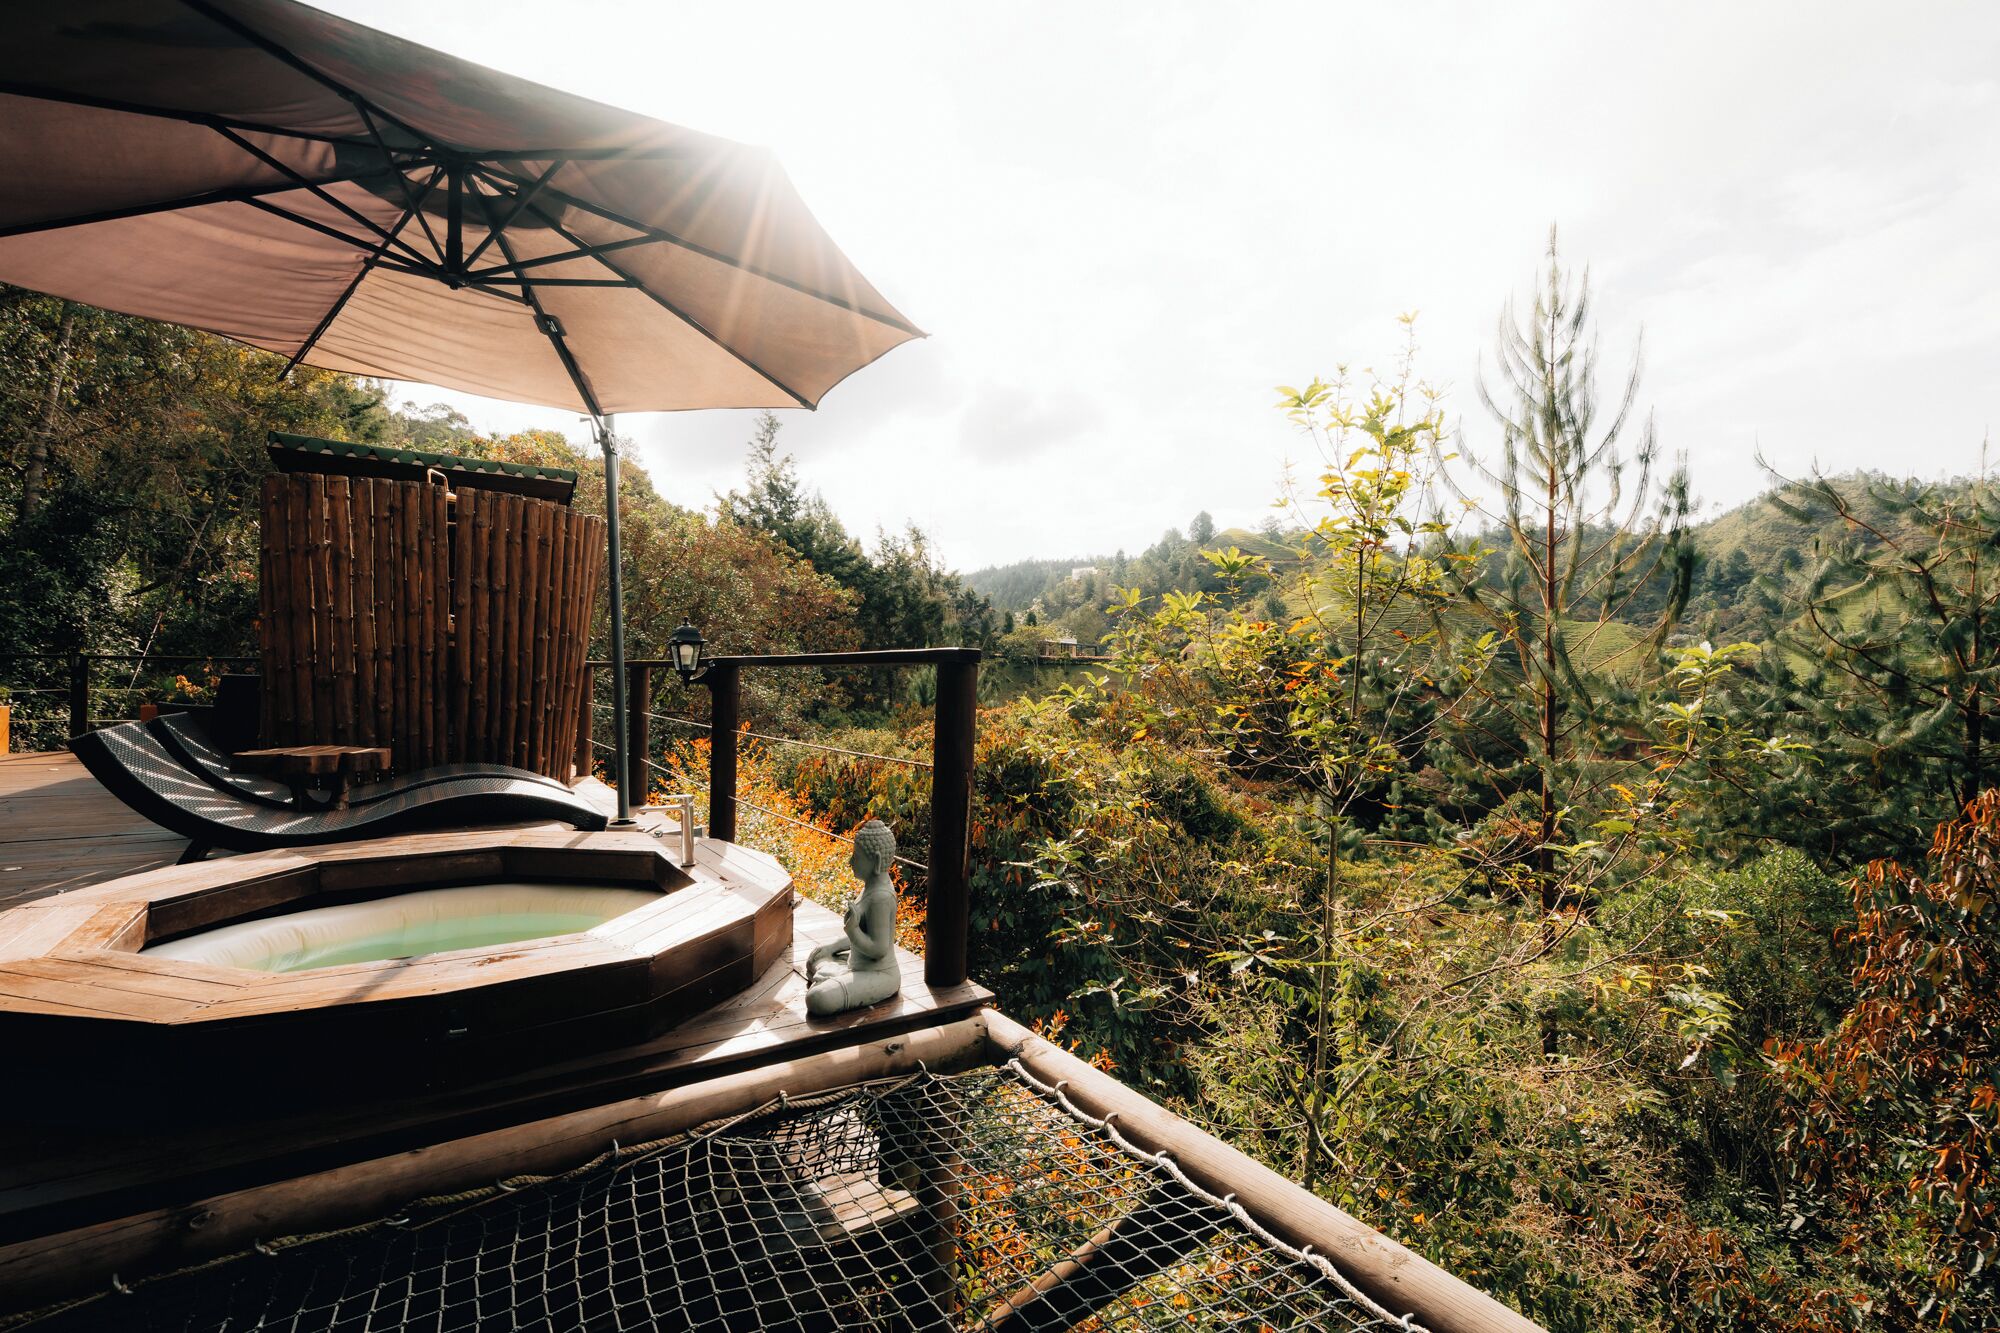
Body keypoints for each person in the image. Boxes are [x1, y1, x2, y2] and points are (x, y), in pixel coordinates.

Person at [805, 819, 902, 1017]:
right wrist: (833, 947)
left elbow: (879, 949)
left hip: (880, 975)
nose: (850, 862)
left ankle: (835, 977)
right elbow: (862, 935)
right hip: (858, 966)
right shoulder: (871, 887)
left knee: (817, 999)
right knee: (818, 956)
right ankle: (836, 974)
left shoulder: (880, 897)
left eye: (856, 857)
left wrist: (853, 931)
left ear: (875, 860)